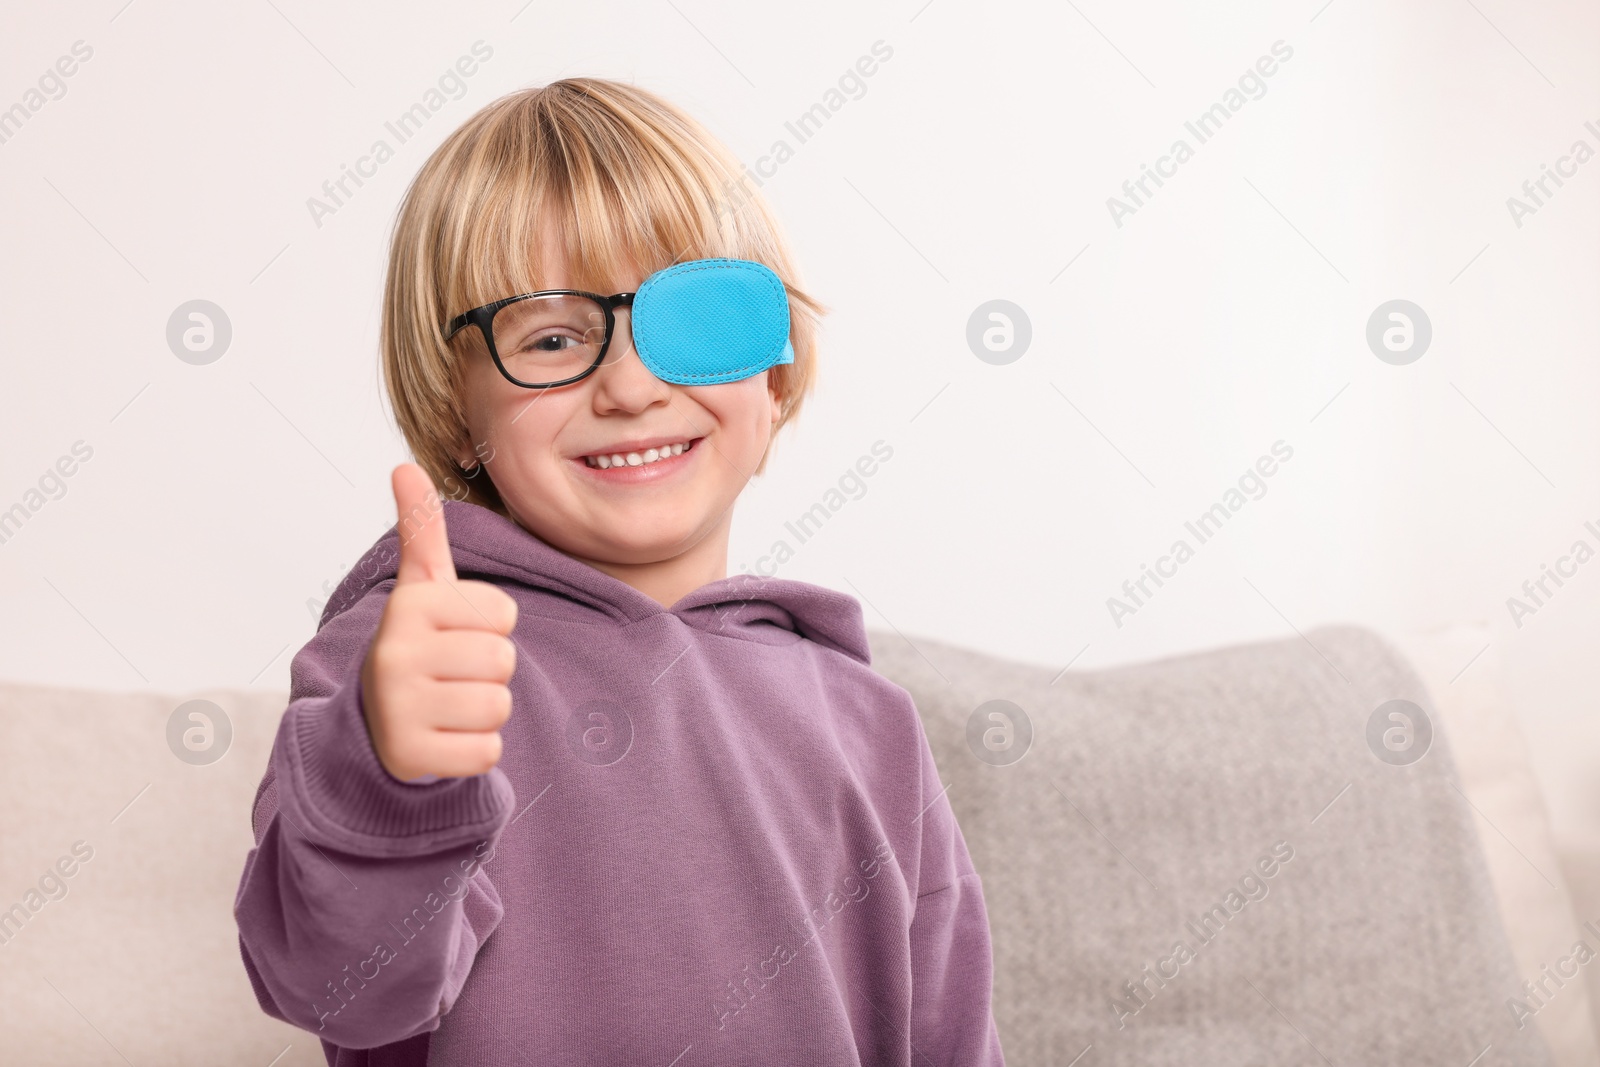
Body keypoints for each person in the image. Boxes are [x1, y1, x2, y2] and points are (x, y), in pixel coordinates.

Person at [232, 76, 1005, 1066]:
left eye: (693, 322)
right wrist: (390, 773)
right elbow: (340, 984)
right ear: (456, 405)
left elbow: (948, 1035)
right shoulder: (418, 666)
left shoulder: (868, 715)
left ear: (770, 377)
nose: (633, 387)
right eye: (551, 337)